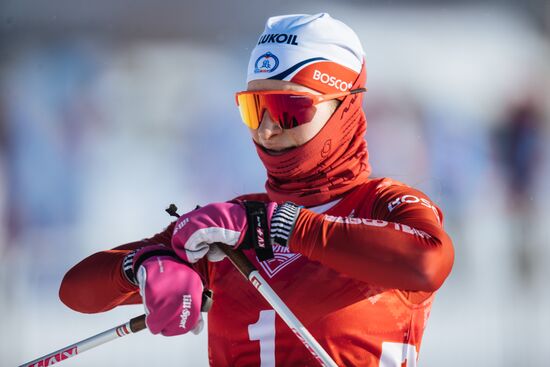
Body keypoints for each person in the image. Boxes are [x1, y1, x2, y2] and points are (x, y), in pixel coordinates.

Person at [59, 13, 454, 366]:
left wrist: (283, 225)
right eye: (254, 109)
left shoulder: (384, 204)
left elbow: (427, 262)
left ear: (344, 107)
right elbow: (76, 291)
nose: (266, 130)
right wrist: (143, 267)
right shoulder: (235, 226)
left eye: (288, 110)